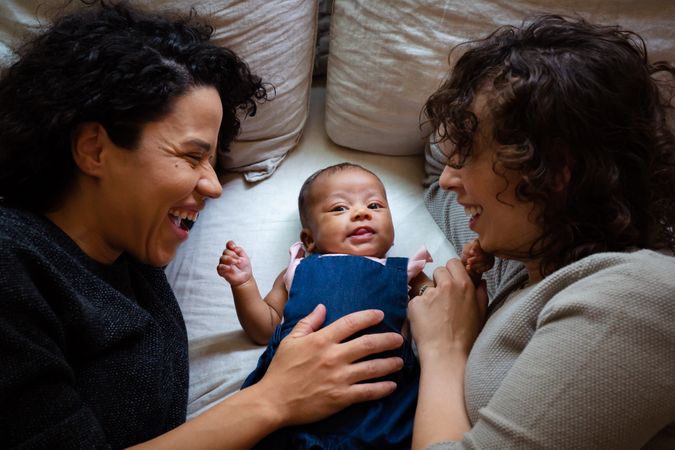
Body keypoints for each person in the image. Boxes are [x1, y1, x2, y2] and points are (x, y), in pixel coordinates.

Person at [0, 2, 406, 449]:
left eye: (214, 161)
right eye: (193, 156)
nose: (214, 187)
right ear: (95, 149)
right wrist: (274, 398)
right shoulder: (12, 262)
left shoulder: (132, 254)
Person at [408, 14, 675, 449]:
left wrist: (444, 348)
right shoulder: (523, 253)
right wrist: (483, 100)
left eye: (471, 152)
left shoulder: (636, 297)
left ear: (552, 172)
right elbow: (435, 167)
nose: (450, 179)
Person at [218, 162, 433, 449]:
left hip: (381, 401)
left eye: (375, 205)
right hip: (294, 396)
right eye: (340, 208)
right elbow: (263, 328)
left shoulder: (407, 271)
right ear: (308, 238)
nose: (361, 212)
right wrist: (244, 285)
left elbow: (439, 305)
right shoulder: (298, 270)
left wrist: (454, 280)